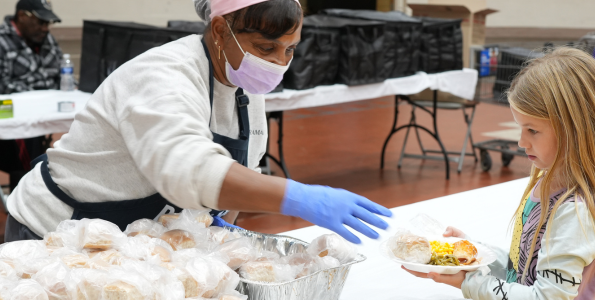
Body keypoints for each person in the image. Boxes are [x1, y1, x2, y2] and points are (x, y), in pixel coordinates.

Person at [4, 0, 393, 245]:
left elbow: (243, 172)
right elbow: (186, 167)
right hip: (56, 230)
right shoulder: (163, 74)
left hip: (132, 239)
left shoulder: (244, 85)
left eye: (289, 50)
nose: (278, 63)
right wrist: (297, 197)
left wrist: (215, 234)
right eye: (266, 48)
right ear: (221, 29)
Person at [402, 47, 595, 299]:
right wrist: (472, 253)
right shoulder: (545, 184)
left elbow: (545, 297)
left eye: (533, 130)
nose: (521, 142)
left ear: (574, 131)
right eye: (521, 128)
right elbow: (519, 270)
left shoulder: (575, 213)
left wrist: (471, 283)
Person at [0, 0, 62, 194]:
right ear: (21, 16)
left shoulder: (46, 39)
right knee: (27, 137)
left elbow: (61, 74)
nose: (45, 28)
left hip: (43, 108)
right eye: (40, 22)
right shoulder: (2, 41)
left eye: (48, 23)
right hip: (11, 112)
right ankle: (24, 193)